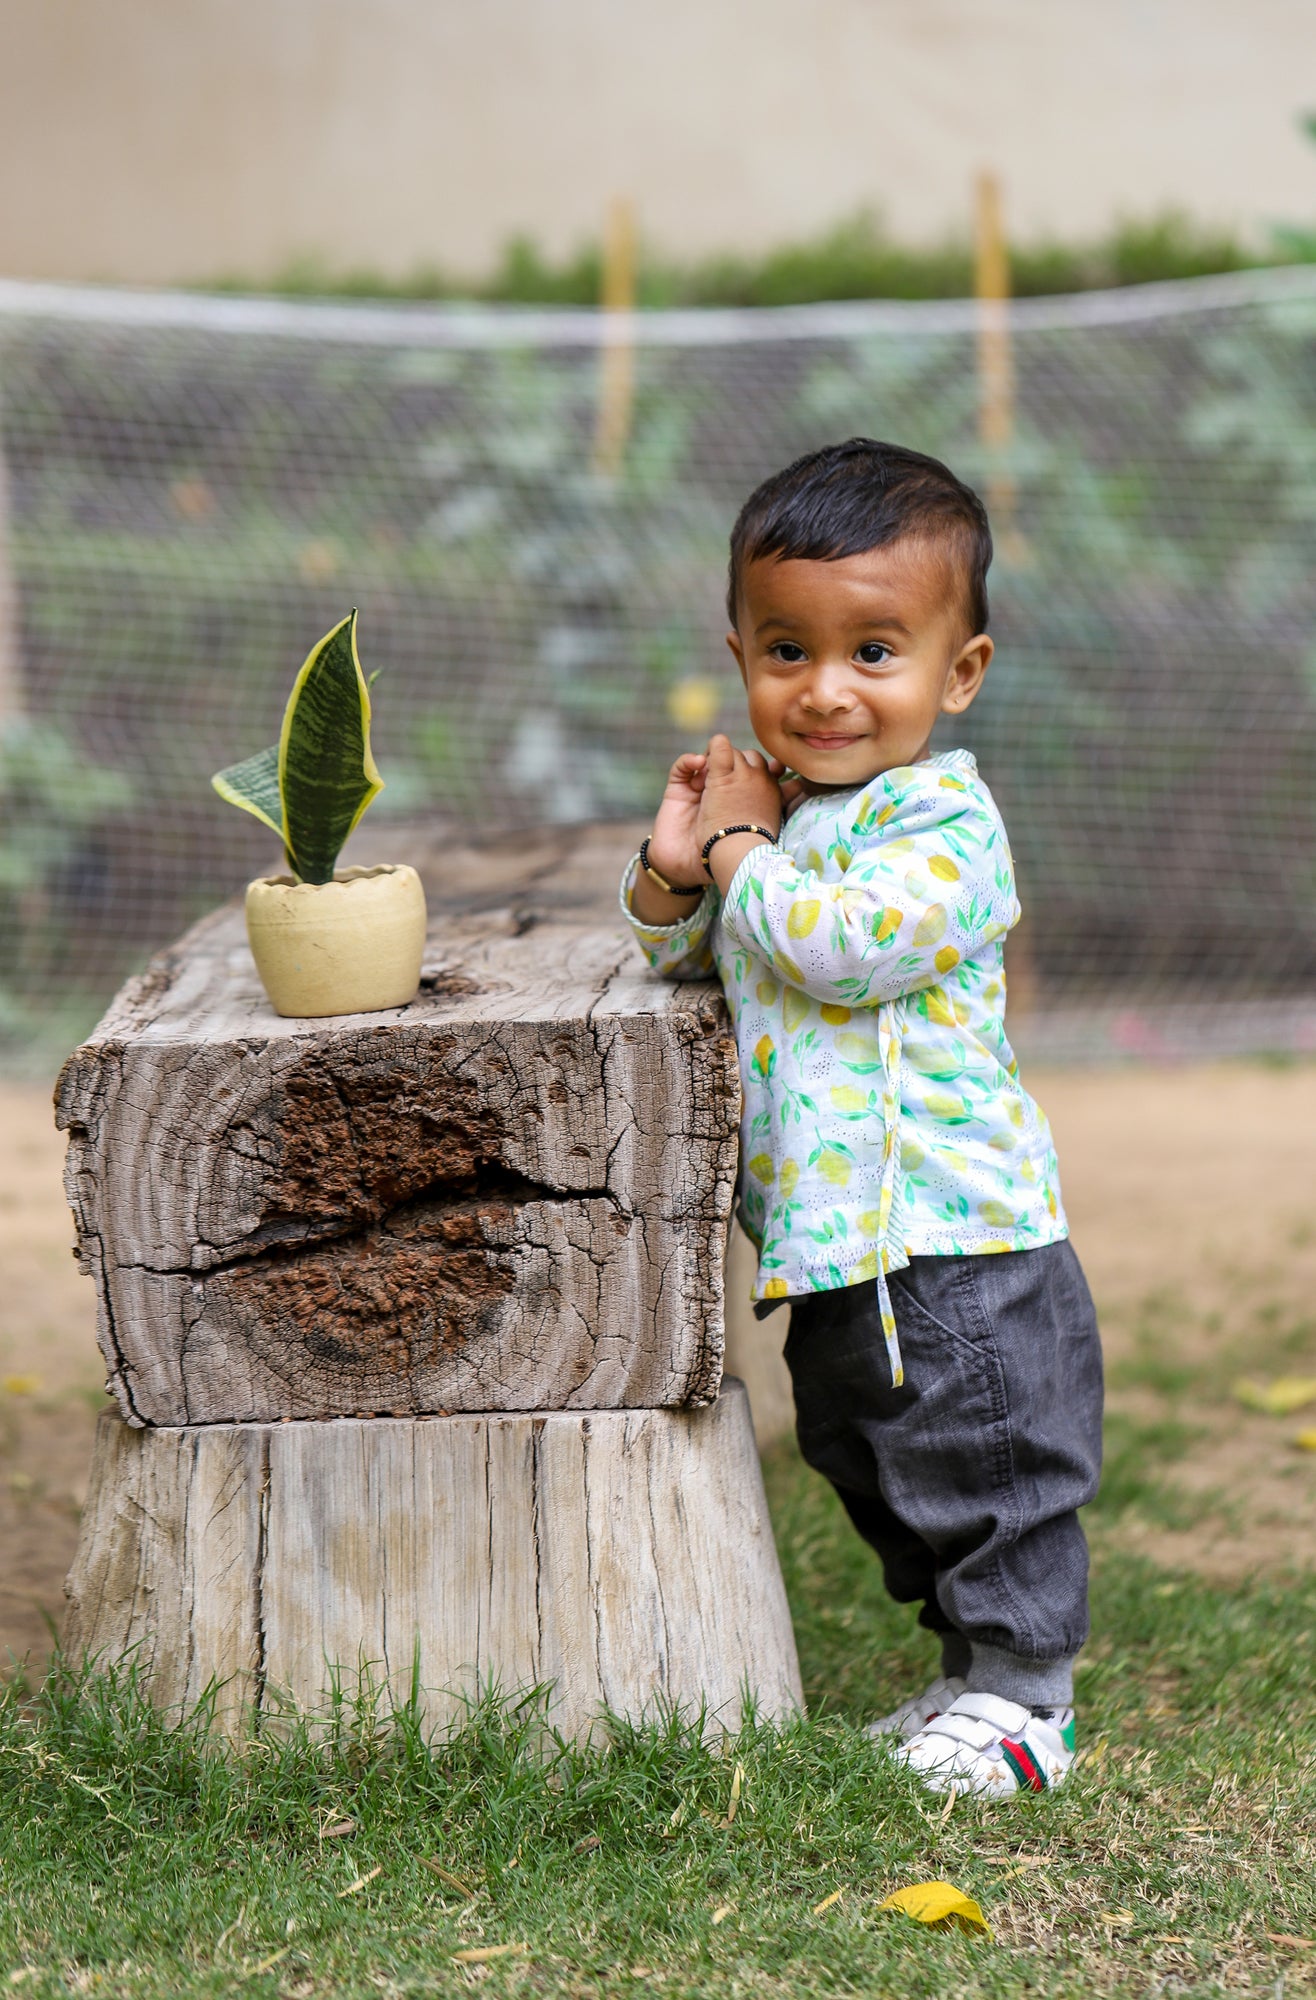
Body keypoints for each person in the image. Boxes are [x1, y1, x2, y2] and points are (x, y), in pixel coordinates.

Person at [620, 438, 1102, 1797]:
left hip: (955, 1233)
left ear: (960, 672)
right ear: (741, 653)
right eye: (788, 650)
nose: (826, 690)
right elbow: (693, 957)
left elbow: (830, 945)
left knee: (989, 1458)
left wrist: (734, 850)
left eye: (874, 652)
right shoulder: (782, 825)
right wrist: (674, 880)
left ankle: (1027, 1698)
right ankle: (966, 1676)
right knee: (877, 1459)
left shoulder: (944, 821)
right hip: (836, 1242)